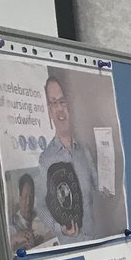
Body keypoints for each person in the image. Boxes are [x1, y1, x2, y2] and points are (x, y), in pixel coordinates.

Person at [39, 74, 101, 242]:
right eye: (54, 103)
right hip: (69, 246)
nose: (60, 108)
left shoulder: (84, 150)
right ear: (50, 111)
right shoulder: (45, 159)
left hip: (93, 239)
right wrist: (59, 228)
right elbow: (40, 206)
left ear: (69, 106)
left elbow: (98, 187)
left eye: (62, 101)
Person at [9, 173, 50, 249]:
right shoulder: (12, 223)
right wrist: (14, 238)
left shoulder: (41, 218)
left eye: (31, 197)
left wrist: (44, 238)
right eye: (25, 196)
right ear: (20, 198)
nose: (28, 202)